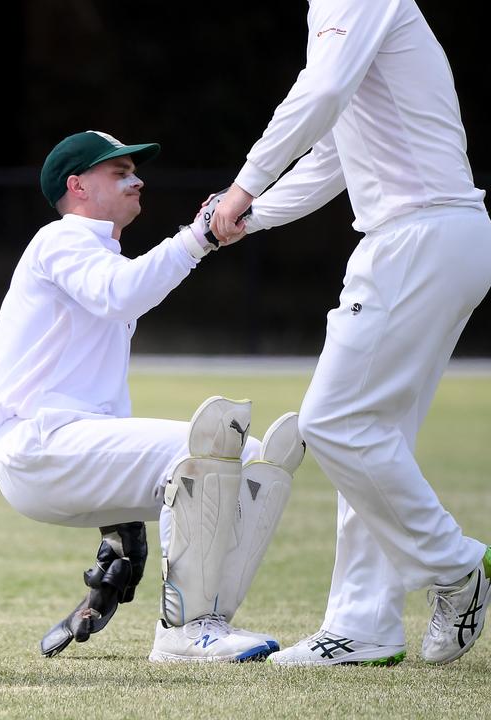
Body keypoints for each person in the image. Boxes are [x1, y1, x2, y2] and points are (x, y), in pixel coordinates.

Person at [209, 0, 491, 666]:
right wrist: (253, 215)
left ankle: (456, 567)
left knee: (333, 422)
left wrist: (242, 187)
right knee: (370, 436)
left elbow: (323, 91)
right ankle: (363, 624)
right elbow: (335, 153)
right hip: (431, 237)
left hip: (416, 237)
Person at [0, 130, 306, 662]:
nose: (137, 179)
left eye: (135, 171)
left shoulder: (99, 254)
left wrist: (121, 528)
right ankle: (184, 630)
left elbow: (107, 406)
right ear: (77, 186)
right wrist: (199, 236)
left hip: (66, 447)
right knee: (204, 451)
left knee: (253, 467)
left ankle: (210, 624)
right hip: (36, 445)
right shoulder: (62, 239)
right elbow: (122, 293)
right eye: (119, 172)